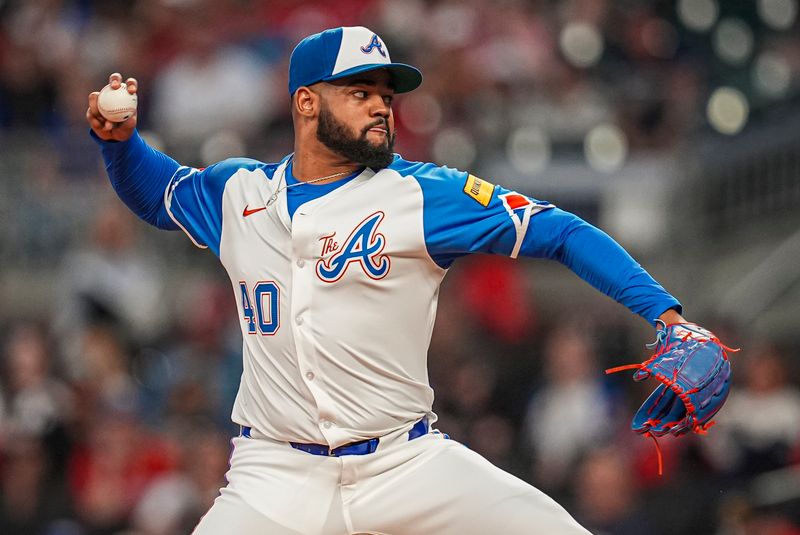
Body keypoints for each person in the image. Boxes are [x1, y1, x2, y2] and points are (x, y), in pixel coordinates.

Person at [86, 26, 689, 535]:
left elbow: (561, 233)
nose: (381, 106)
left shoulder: (420, 194)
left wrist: (667, 316)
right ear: (306, 103)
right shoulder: (237, 192)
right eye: (359, 91)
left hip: (405, 465)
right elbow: (158, 192)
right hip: (272, 476)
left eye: (385, 94)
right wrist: (119, 144)